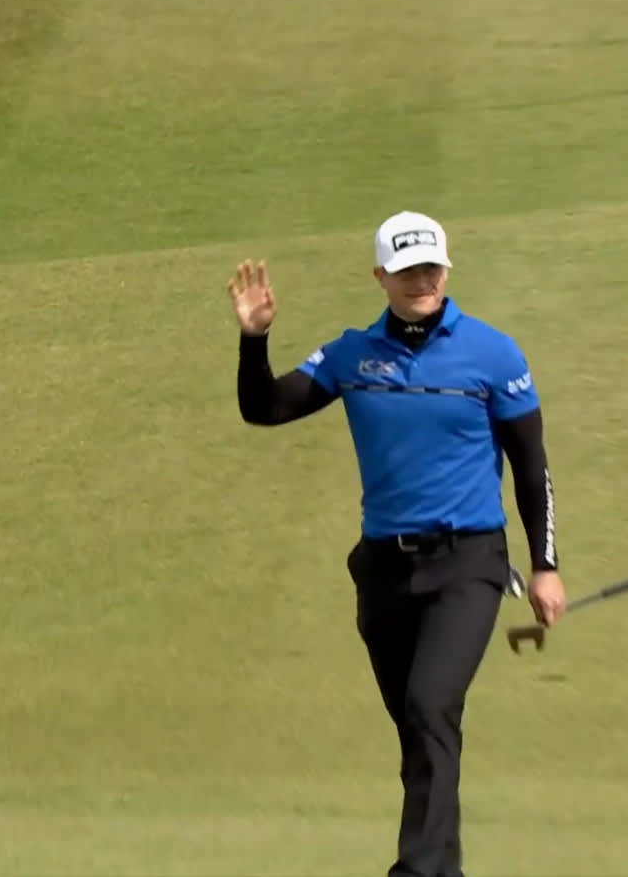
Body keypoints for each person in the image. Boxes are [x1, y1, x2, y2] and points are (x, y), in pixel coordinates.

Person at [227, 211, 567, 877]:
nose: (421, 280)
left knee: (429, 705)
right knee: (422, 733)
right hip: (383, 572)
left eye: (431, 267)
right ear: (380, 275)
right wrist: (254, 341)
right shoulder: (352, 356)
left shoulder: (494, 354)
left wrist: (545, 566)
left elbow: (531, 466)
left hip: (468, 562)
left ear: (446, 269)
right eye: (407, 269)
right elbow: (264, 407)